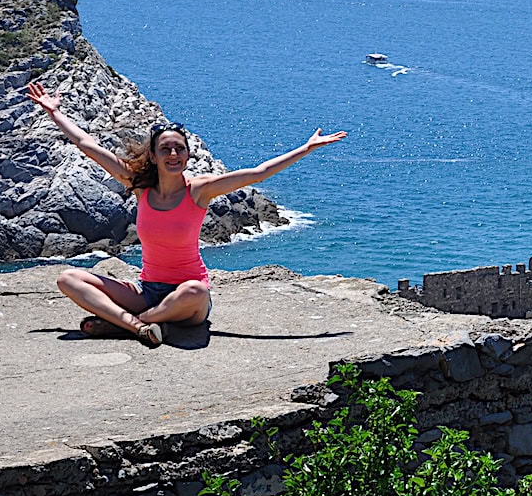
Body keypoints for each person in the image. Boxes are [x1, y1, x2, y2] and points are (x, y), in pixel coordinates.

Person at [26, 81, 346, 347]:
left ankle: (127, 325)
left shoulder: (199, 191)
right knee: (68, 278)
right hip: (147, 291)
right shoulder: (141, 188)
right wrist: (55, 113)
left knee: (196, 289)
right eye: (165, 149)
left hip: (188, 301)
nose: (173, 154)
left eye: (179, 148)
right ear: (153, 156)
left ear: (188, 155)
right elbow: (87, 144)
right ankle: (137, 326)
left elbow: (258, 173)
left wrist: (306, 148)